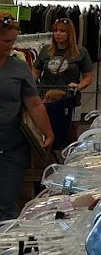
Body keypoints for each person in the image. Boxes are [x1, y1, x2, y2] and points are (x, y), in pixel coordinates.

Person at [0, 14, 52, 218]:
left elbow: (34, 103)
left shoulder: (19, 67)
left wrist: (47, 132)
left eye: (13, 41)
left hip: (11, 147)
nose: (11, 46)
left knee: (6, 203)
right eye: (6, 41)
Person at [37, 15, 94, 154]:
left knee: (70, 135)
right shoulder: (45, 51)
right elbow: (35, 72)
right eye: (55, 31)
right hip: (46, 99)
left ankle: (69, 160)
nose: (58, 34)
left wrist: (78, 86)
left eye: (62, 31)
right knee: (46, 133)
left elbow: (88, 77)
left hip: (69, 100)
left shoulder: (80, 52)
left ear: (70, 33)